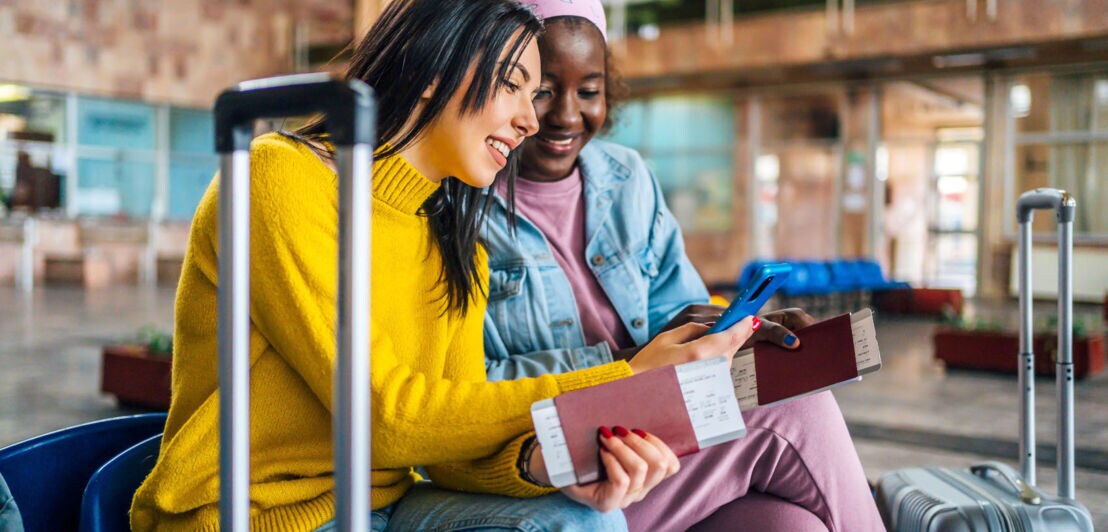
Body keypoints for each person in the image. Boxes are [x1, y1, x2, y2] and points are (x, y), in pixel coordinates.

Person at [129, 1, 754, 530]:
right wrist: (624, 377)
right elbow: (387, 416)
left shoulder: (455, 243)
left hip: (383, 504)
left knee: (583, 517)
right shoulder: (283, 178)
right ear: (433, 72)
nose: (531, 119)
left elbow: (447, 450)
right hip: (248, 512)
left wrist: (550, 465)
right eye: (513, 85)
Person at [482, 1, 885, 530]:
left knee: (791, 526)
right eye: (540, 89)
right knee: (795, 411)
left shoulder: (626, 177)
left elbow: (676, 307)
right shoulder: (464, 202)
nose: (565, 115)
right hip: (558, 459)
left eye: (589, 91)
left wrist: (732, 331)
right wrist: (634, 359)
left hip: (658, 435)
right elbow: (470, 390)